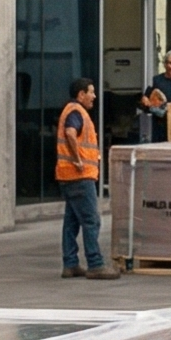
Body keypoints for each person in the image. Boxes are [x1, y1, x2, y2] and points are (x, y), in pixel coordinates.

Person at [56, 77, 117, 278]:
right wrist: (78, 159)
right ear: (81, 94)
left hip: (69, 176)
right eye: (91, 92)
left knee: (72, 222)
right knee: (92, 220)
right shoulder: (76, 112)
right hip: (79, 176)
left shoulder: (73, 111)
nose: (94, 96)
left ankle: (70, 264)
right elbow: (71, 133)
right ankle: (95, 264)